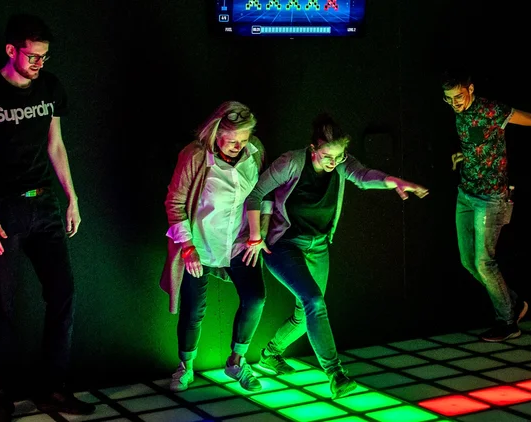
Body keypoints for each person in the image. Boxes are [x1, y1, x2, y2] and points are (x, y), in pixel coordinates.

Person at [242, 113, 428, 399]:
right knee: (314, 302)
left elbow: (363, 176)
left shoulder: (342, 163)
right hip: (284, 245)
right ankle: (336, 374)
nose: (334, 162)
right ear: (313, 149)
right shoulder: (291, 162)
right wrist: (256, 235)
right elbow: (255, 193)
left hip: (318, 245)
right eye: (327, 156)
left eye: (339, 156)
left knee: (306, 312)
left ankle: (271, 353)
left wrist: (392, 181)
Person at [0, 13, 95, 421]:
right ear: (11, 50)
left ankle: (52, 389)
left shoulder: (51, 87)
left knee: (63, 293)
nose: (39, 64)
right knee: (1, 306)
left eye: (44, 56)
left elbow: (56, 144)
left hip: (44, 204)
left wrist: (72, 197)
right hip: (5, 207)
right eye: (33, 56)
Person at [159, 101, 273, 393]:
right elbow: (174, 203)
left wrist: (260, 232)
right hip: (200, 243)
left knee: (255, 298)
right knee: (193, 309)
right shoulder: (195, 156)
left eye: (244, 140)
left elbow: (265, 193)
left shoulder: (256, 151)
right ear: (216, 133)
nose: (238, 146)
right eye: (232, 140)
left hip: (239, 242)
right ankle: (185, 366)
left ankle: (237, 361)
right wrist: (187, 247)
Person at [441, 68, 531, 342]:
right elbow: (480, 143)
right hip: (466, 194)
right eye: (448, 99)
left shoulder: (491, 110)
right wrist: (464, 156)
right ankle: (513, 305)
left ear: (471, 90)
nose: (455, 104)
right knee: (468, 261)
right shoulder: (459, 114)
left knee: (484, 263)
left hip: (491, 198)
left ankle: (508, 322)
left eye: (458, 97)